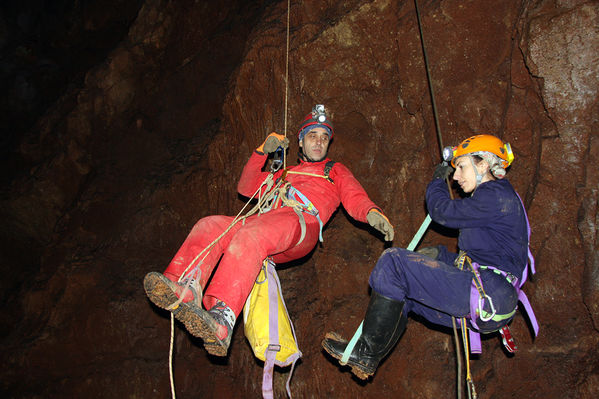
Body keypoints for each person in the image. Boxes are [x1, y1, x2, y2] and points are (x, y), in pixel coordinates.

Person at [144, 105, 394, 356]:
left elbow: (354, 196)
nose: (319, 142)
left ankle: (222, 318)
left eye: (324, 137)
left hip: (301, 224)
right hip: (269, 225)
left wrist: (371, 213)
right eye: (312, 136)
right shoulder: (284, 174)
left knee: (252, 234)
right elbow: (246, 187)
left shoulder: (333, 171)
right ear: (300, 140)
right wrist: (262, 152)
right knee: (210, 225)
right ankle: (185, 287)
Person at [322, 134, 533, 379]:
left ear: (483, 165)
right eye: (454, 171)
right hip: (491, 296)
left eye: (461, 167)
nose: (455, 177)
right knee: (406, 290)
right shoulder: (501, 198)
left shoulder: (495, 194)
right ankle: (368, 357)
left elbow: (442, 212)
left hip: (487, 291)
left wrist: (436, 182)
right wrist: (434, 257)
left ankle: (365, 350)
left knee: (393, 262)